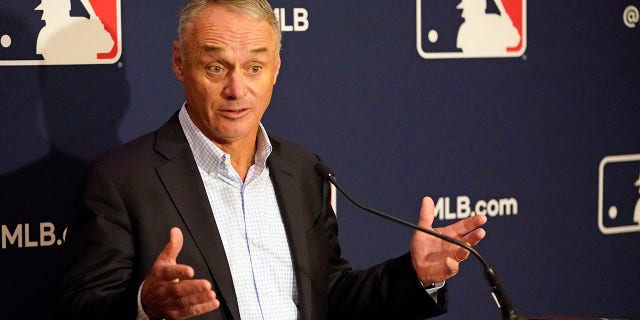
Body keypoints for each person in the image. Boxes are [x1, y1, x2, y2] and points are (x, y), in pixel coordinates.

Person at [56, 0, 487, 319]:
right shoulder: (121, 179)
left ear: (277, 68)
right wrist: (143, 306)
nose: (237, 90)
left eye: (255, 68)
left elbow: (329, 293)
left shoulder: (303, 170)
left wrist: (416, 276)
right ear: (179, 63)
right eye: (216, 68)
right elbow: (78, 310)